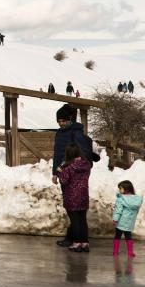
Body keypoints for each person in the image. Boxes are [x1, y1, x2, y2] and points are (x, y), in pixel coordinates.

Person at [52, 104, 97, 247]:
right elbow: (58, 155)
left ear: (70, 119)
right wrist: (55, 172)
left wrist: (79, 168)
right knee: (72, 209)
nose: (61, 123)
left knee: (74, 211)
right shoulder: (60, 133)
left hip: (73, 176)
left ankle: (75, 239)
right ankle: (74, 238)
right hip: (64, 173)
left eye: (64, 121)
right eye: (59, 121)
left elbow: (84, 156)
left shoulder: (76, 133)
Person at [58, 143, 92, 253]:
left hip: (72, 197)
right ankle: (85, 243)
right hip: (83, 195)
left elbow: (64, 181)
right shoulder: (86, 165)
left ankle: (77, 243)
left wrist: (60, 172)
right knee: (83, 220)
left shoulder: (68, 167)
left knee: (75, 221)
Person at [112, 180, 143, 258]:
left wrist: (115, 219)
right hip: (129, 222)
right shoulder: (136, 200)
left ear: (126, 189)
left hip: (121, 222)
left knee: (117, 236)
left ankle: (115, 252)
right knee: (128, 237)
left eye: (120, 188)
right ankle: (130, 252)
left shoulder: (121, 199)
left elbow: (118, 210)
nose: (119, 190)